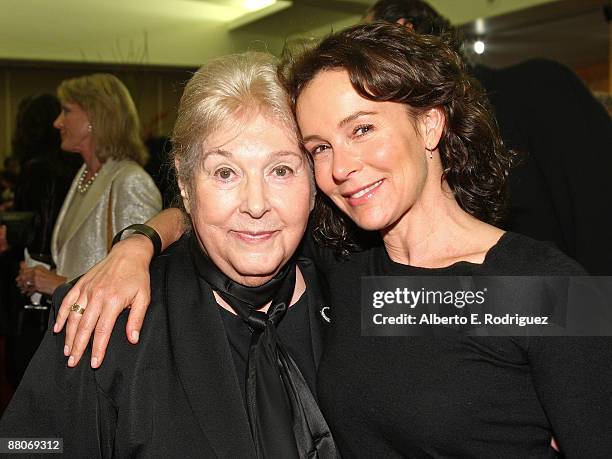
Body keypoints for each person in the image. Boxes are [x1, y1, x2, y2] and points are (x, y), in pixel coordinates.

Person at [53, 25, 611, 456]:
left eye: (361, 128)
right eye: (318, 148)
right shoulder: (348, 280)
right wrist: (139, 244)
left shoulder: (550, 290)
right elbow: (225, 211)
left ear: (428, 126)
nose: (342, 166)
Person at [0, 52, 337, 458]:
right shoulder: (106, 317)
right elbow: (26, 446)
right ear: (185, 181)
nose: (255, 204)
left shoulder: (349, 293)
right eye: (225, 173)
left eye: (280, 170)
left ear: (314, 179)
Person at [365, 0, 612, 275]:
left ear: (404, 34)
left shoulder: (541, 85)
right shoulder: (413, 148)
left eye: (368, 49)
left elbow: (599, 201)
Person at [14, 74, 161, 298]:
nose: (57, 122)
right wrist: (44, 277)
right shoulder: (84, 175)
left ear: (94, 116)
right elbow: (78, 264)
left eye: (67, 111)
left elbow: (138, 280)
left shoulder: (130, 181)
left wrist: (58, 285)